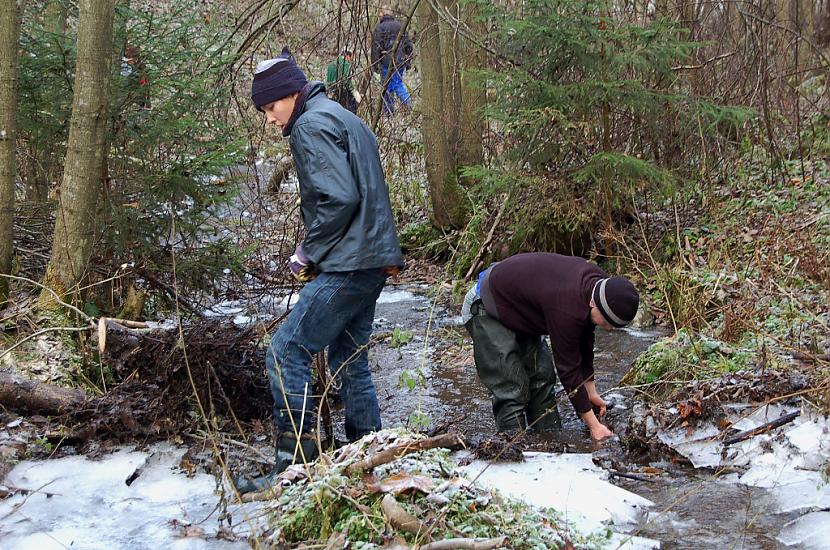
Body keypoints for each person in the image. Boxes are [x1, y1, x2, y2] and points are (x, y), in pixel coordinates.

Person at [237, 48, 404, 493]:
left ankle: (293, 469)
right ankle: (370, 455)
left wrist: (307, 252)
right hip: (370, 261)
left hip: (349, 263)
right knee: (351, 361)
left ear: (291, 94)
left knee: (284, 350)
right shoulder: (341, 115)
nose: (270, 119)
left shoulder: (310, 125)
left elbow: (339, 199)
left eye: (270, 108)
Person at [461, 253, 640, 440]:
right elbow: (568, 371)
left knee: (542, 380)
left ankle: (550, 443)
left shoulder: (600, 287)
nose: (610, 329)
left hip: (520, 308)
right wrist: (594, 426)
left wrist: (590, 391)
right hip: (486, 304)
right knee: (512, 387)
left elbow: (585, 339)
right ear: (593, 303)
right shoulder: (566, 308)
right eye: (608, 323)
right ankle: (513, 449)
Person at [371, 10, 414, 115]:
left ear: (382, 15)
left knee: (388, 88)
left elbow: (376, 48)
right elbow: (408, 45)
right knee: (397, 85)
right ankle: (408, 107)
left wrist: (375, 64)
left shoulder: (380, 28)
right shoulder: (400, 26)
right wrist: (408, 61)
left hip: (385, 63)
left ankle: (390, 113)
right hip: (400, 62)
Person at [326, 49, 360, 113]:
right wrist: (354, 92)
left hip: (331, 93)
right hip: (342, 92)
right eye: (351, 57)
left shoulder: (331, 65)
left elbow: (328, 81)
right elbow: (346, 82)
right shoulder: (347, 65)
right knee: (352, 109)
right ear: (348, 56)